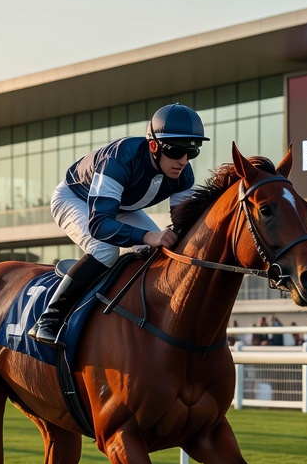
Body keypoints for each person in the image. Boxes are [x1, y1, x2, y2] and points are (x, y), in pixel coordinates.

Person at [28, 103, 205, 346]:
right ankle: (48, 320)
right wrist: (147, 236)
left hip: (121, 207)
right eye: (175, 151)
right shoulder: (120, 158)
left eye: (191, 152)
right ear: (153, 146)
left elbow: (185, 225)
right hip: (75, 198)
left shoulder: (184, 175)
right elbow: (100, 224)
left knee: (158, 250)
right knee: (104, 250)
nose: (183, 161)